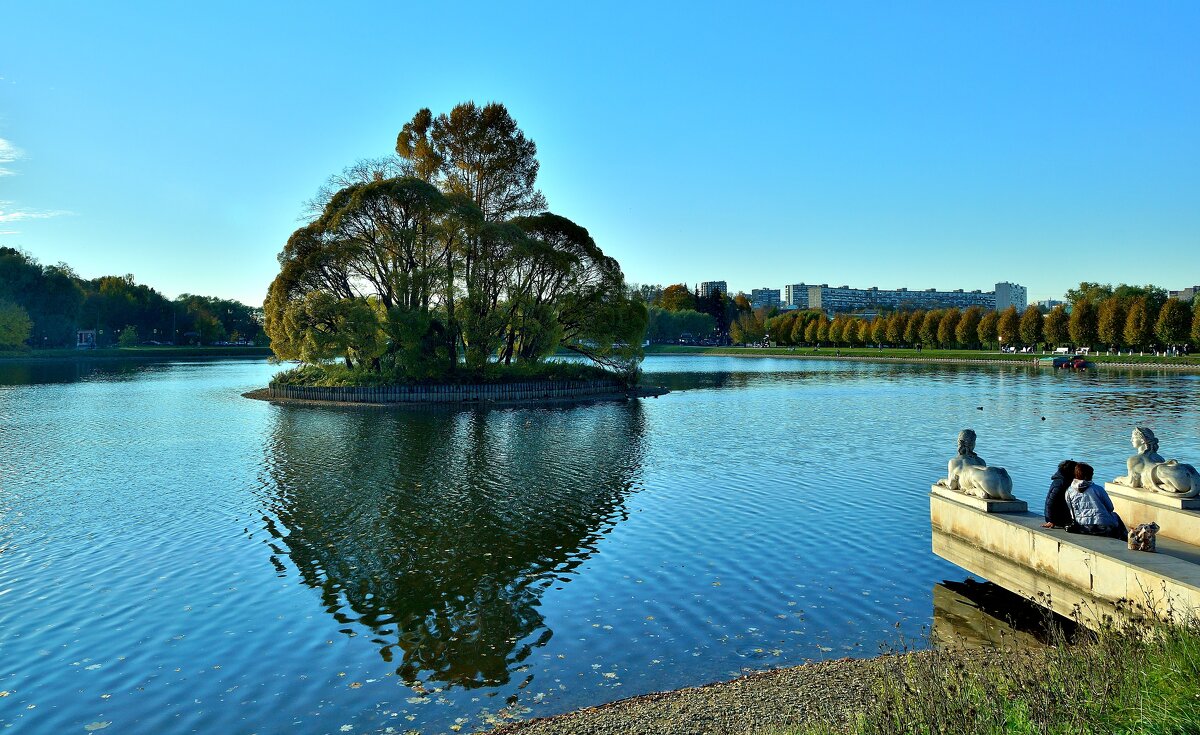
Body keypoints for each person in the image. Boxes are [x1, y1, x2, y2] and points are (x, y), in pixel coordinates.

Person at [1065, 462, 1127, 540]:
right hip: (1102, 524)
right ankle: (1125, 540)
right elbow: (1110, 508)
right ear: (1089, 476)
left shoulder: (1069, 491)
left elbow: (1071, 510)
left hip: (1082, 525)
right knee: (1116, 517)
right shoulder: (1098, 489)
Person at [1041, 459, 1076, 528]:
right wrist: (1051, 520)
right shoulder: (1061, 484)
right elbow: (1051, 502)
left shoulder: (1061, 480)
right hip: (1058, 519)